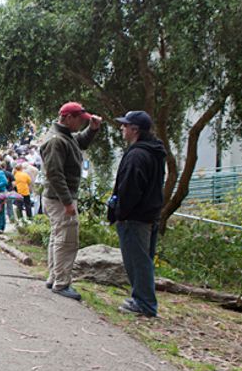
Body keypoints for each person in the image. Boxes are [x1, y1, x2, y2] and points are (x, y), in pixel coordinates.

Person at [40, 101, 102, 300]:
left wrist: (92, 130)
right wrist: (67, 203)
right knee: (66, 241)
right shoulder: (56, 141)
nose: (81, 124)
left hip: (58, 198)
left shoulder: (64, 136)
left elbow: (79, 142)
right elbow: (55, 174)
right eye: (80, 120)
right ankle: (62, 283)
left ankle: (54, 277)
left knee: (57, 237)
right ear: (68, 118)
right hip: (59, 199)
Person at [109, 111, 166, 318]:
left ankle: (144, 303)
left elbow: (130, 188)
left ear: (135, 130)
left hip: (135, 217)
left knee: (137, 261)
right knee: (143, 260)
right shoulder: (154, 151)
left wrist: (120, 212)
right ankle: (142, 300)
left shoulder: (137, 155)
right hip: (149, 214)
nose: (121, 128)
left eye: (125, 125)